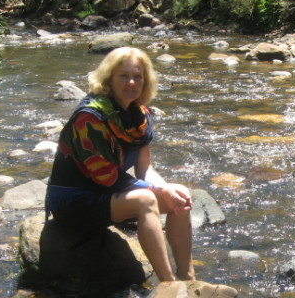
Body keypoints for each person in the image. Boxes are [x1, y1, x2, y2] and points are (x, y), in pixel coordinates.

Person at [46, 47, 195, 282]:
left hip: (110, 196)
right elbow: (106, 177)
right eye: (123, 76)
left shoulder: (139, 115)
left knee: (182, 195)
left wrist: (166, 189)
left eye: (138, 76)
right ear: (109, 80)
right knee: (145, 199)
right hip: (74, 201)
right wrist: (157, 190)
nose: (131, 82)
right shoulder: (90, 117)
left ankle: (188, 277)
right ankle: (169, 284)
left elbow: (144, 168)